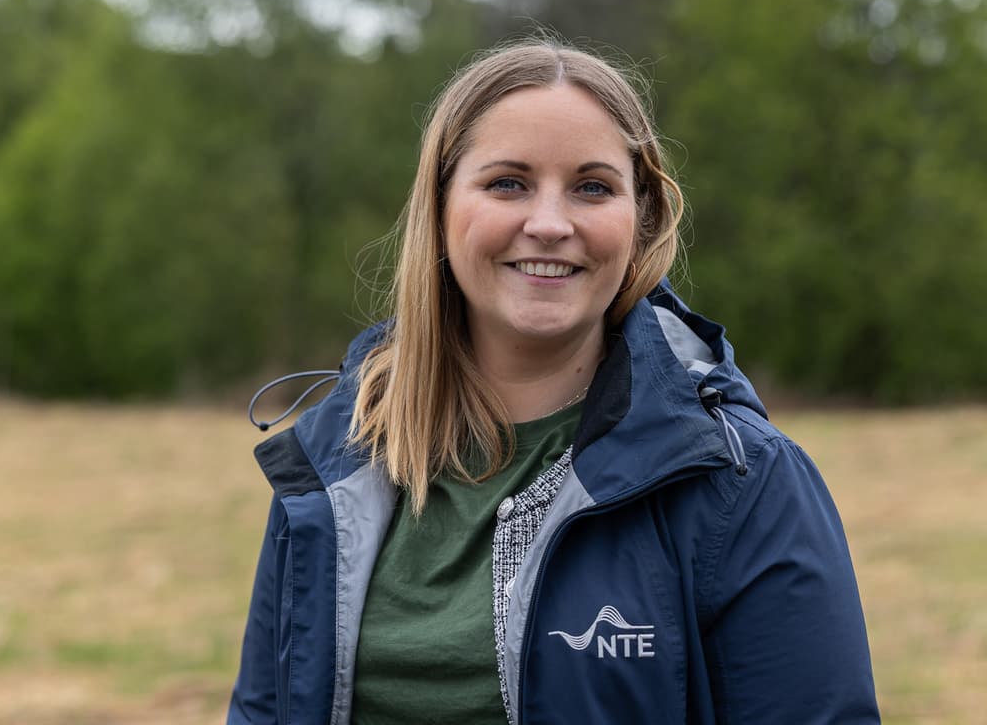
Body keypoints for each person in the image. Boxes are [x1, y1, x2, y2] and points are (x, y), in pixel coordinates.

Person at [229, 40, 879, 724]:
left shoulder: (741, 480)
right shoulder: (334, 460)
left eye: (593, 187)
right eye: (507, 182)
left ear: (642, 218)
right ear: (441, 208)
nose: (549, 224)